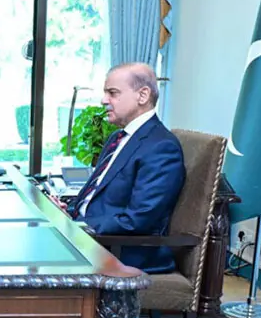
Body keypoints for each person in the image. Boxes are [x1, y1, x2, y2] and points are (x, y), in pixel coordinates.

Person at [51, 62, 185, 273]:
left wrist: (79, 227)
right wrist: (69, 211)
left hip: (123, 252)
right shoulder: (118, 138)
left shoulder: (161, 147)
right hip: (95, 240)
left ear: (143, 95)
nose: (104, 100)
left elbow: (138, 220)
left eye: (112, 93)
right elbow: (96, 194)